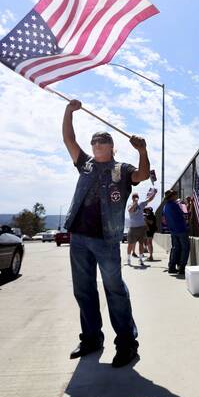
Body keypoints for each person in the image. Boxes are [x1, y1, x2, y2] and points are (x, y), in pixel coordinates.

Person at [62, 99, 151, 368]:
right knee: (84, 290)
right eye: (94, 142)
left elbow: (143, 174)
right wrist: (68, 112)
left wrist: (142, 150)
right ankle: (91, 338)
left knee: (114, 290)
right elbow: (69, 139)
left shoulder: (122, 170)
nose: (97, 144)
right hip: (79, 237)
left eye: (103, 141)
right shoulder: (85, 164)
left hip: (107, 239)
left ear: (112, 146)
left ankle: (126, 344)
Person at [162, 189, 190, 275]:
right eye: (175, 194)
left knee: (175, 248)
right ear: (172, 196)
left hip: (173, 230)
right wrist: (187, 204)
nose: (176, 195)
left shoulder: (165, 207)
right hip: (181, 229)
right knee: (185, 248)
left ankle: (172, 267)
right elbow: (184, 214)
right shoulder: (175, 205)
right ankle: (182, 268)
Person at [126, 189, 157, 266]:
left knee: (141, 244)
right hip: (133, 228)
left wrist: (154, 193)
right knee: (130, 243)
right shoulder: (130, 205)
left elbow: (149, 199)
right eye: (134, 197)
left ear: (138, 197)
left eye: (136, 196)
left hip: (141, 227)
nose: (135, 197)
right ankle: (128, 259)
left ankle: (140, 259)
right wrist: (135, 203)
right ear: (132, 198)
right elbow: (130, 210)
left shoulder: (141, 204)